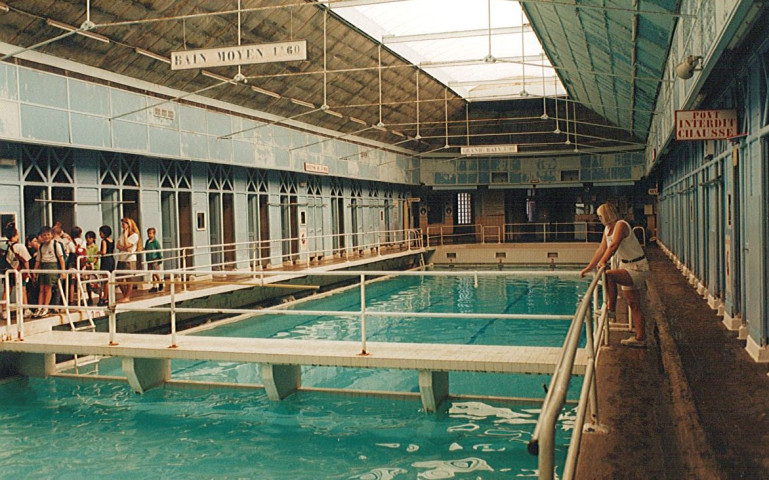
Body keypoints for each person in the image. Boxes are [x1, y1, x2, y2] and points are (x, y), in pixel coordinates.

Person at [580, 203, 649, 347]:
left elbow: (614, 246)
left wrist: (603, 261)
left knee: (609, 275)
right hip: (626, 265)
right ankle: (641, 338)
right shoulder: (607, 230)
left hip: (637, 267)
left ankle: (611, 309)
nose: (599, 218)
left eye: (600, 216)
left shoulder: (621, 225)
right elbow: (601, 249)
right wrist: (588, 267)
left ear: (606, 215)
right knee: (633, 303)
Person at [33, 226, 67, 318]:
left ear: (51, 235)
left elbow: (61, 259)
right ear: (41, 236)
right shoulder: (41, 247)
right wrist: (34, 272)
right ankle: (39, 308)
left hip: (52, 266)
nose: (46, 237)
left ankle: (46, 308)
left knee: (48, 288)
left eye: (48, 234)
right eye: (44, 235)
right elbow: (38, 260)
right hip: (43, 267)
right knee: (41, 288)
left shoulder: (56, 244)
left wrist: (63, 272)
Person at [2, 222, 33, 318]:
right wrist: (28, 272)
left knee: (7, 290)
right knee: (22, 289)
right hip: (19, 271)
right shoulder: (20, 246)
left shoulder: (4, 245)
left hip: (8, 271)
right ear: (15, 235)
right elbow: (26, 260)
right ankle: (26, 310)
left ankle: (4, 311)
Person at [116, 217, 141, 303]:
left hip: (130, 259)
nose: (122, 226)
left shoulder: (135, 235)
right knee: (118, 278)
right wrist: (124, 248)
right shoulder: (122, 233)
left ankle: (127, 296)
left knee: (129, 279)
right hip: (121, 258)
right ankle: (125, 295)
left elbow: (127, 245)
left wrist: (126, 236)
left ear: (129, 224)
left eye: (124, 224)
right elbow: (118, 245)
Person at [97, 225, 115, 306]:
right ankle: (109, 296)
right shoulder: (112, 240)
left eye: (100, 233)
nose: (99, 234)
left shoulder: (104, 241)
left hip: (106, 261)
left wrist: (99, 252)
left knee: (106, 280)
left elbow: (104, 252)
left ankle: (105, 297)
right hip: (111, 259)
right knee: (109, 279)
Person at [144, 227, 163, 292]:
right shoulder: (147, 241)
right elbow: (146, 249)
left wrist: (159, 261)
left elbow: (159, 251)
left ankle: (160, 281)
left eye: (150, 233)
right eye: (148, 233)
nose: (149, 235)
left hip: (155, 259)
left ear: (154, 234)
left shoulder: (155, 242)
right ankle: (154, 286)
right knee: (151, 273)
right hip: (149, 259)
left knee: (155, 272)